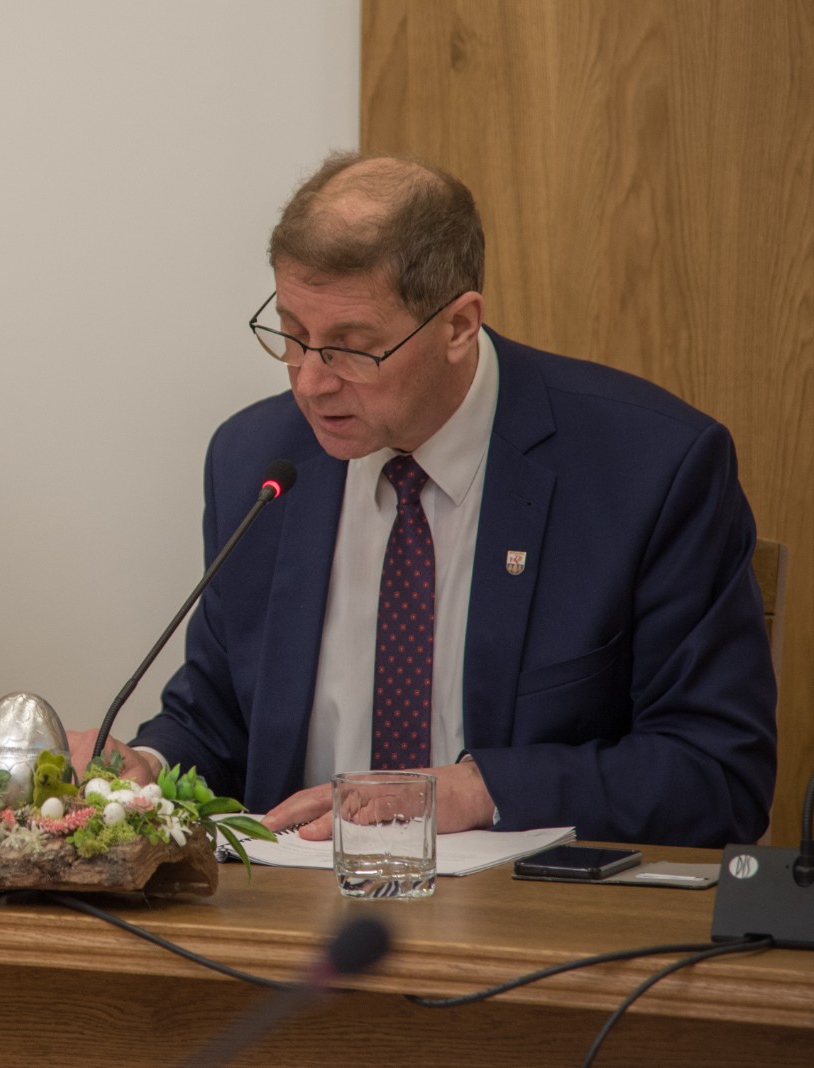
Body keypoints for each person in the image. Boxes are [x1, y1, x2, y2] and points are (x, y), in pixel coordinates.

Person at [73, 152, 775, 847]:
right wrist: (149, 765)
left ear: (459, 326)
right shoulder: (255, 463)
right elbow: (218, 719)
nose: (310, 383)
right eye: (292, 334)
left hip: (529, 908)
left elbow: (717, 774)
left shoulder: (649, 470)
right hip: (296, 900)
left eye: (352, 346)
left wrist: (475, 791)